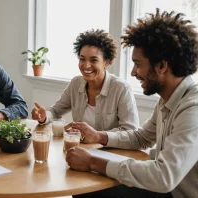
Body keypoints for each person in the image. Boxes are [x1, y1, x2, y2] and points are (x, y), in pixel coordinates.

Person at [66, 9, 198, 198]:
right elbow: (142, 137)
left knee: (92, 187)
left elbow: (163, 176)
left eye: (138, 64)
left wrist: (93, 162)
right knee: (85, 186)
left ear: (161, 66)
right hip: (168, 190)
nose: (133, 72)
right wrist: (100, 136)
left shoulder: (193, 109)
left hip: (176, 193)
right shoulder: (168, 100)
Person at [31, 29, 139, 132]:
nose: (86, 66)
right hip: (81, 148)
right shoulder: (76, 84)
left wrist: (98, 136)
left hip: (109, 151)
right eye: (82, 59)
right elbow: (55, 111)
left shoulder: (121, 89)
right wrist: (44, 117)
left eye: (94, 60)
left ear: (106, 62)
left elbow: (130, 130)